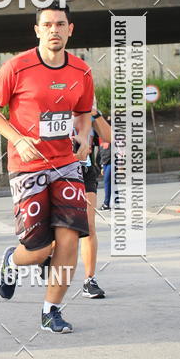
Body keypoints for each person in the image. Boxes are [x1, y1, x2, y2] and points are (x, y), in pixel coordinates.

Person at [0, 0, 93, 334]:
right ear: (37, 30)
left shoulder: (82, 71)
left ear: (69, 30)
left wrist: (84, 137)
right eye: (47, 25)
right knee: (39, 248)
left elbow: (84, 113)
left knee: (70, 239)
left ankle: (51, 310)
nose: (54, 30)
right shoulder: (17, 67)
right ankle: (11, 262)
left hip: (66, 164)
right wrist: (17, 138)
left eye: (60, 24)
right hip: (27, 166)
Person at [78, 97, 112, 299]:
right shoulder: (55, 105)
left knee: (89, 226)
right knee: (58, 229)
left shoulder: (89, 113)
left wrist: (95, 114)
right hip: (58, 171)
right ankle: (44, 258)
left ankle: (89, 280)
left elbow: (108, 136)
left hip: (85, 169)